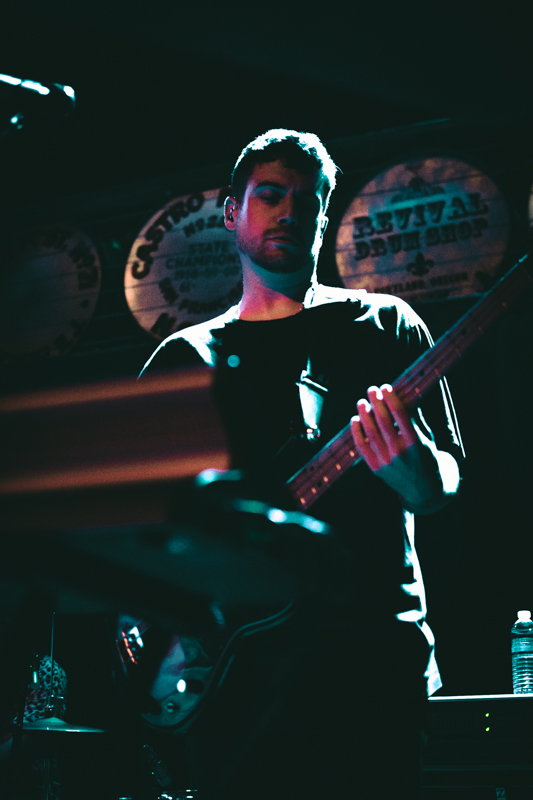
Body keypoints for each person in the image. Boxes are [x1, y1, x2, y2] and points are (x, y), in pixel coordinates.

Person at [140, 129, 463, 799]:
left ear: (325, 213)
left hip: (369, 658)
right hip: (233, 670)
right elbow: (137, 523)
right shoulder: (185, 357)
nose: (289, 211)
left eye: (307, 198)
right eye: (269, 195)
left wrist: (420, 477)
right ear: (232, 212)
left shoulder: (385, 325)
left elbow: (448, 475)